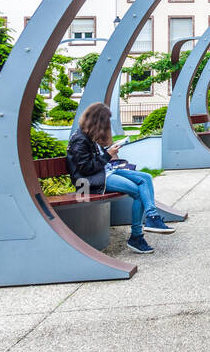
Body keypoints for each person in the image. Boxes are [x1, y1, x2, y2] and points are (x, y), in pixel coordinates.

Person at [67, 101, 174, 254]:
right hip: (88, 181)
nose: (107, 126)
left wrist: (109, 151)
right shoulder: (80, 139)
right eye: (105, 122)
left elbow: (95, 161)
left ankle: (152, 216)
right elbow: (85, 169)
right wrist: (107, 155)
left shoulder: (88, 136)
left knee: (146, 177)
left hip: (104, 172)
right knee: (137, 191)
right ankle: (137, 236)